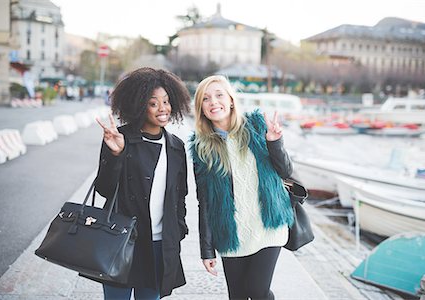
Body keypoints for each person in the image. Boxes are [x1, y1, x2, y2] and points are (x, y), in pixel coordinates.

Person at [190, 75, 295, 300]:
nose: (213, 102)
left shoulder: (257, 126)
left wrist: (275, 142)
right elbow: (205, 202)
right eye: (206, 99)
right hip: (232, 233)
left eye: (219, 95)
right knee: (237, 296)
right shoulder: (202, 149)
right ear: (201, 108)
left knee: (257, 292)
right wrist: (206, 250)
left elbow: (286, 172)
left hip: (267, 226)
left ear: (230, 100)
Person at [94, 67, 191, 300]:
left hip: (158, 244)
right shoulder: (120, 138)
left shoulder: (176, 146)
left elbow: (180, 195)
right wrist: (116, 155)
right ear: (138, 105)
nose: (163, 109)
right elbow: (104, 188)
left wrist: (178, 229)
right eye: (153, 103)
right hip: (122, 240)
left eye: (166, 102)